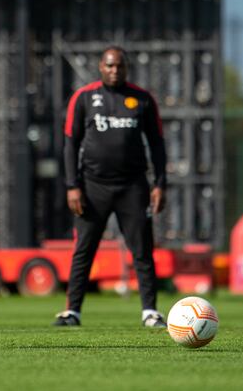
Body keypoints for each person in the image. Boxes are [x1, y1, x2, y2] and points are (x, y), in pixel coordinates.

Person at [53, 46, 168, 328]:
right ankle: (73, 311)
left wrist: (160, 184)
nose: (114, 70)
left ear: (126, 68)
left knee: (142, 249)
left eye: (119, 66)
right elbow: (71, 144)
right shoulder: (83, 98)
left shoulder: (142, 99)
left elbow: (157, 144)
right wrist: (72, 186)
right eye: (109, 65)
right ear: (100, 67)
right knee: (84, 249)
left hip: (133, 186)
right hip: (93, 187)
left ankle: (150, 311)